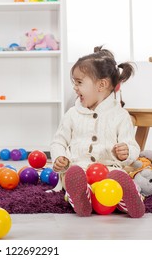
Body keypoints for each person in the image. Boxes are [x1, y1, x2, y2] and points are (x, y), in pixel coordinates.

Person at [50, 46, 145, 218]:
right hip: (79, 170)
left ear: (101, 84)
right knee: (72, 179)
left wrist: (125, 152)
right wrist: (59, 158)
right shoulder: (72, 114)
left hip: (109, 171)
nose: (75, 88)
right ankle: (81, 198)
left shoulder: (120, 116)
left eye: (79, 82)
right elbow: (59, 141)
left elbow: (132, 146)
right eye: (74, 82)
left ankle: (129, 200)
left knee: (117, 182)